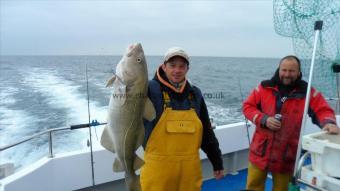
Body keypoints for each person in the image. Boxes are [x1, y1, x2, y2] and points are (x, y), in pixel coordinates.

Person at [242, 55, 339, 191]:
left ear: (299, 72)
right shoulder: (264, 87)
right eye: (284, 70)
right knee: (253, 186)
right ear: (279, 69)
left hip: (286, 155)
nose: (287, 74)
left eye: (292, 71)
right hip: (260, 151)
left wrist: (328, 122)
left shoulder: (307, 92)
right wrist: (264, 119)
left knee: (282, 189)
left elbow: (322, 109)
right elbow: (248, 107)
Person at [140, 47, 224, 191]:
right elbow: (127, 107)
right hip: (158, 170)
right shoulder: (148, 89)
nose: (177, 70)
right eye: (172, 65)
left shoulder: (195, 93)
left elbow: (207, 131)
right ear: (164, 66)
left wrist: (217, 161)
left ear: (187, 69)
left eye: (181, 66)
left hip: (189, 171)